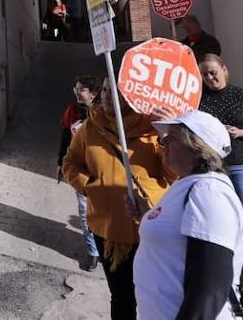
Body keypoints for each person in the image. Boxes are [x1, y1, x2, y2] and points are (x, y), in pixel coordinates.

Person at [63, 77, 172, 320]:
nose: (108, 97)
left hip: (151, 225)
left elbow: (174, 174)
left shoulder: (153, 127)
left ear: (132, 96)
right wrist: (90, 186)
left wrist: (167, 136)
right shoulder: (91, 127)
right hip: (108, 227)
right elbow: (70, 163)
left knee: (154, 294)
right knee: (121, 295)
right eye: (105, 90)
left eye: (117, 92)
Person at [131, 109, 243, 320]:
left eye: (170, 138)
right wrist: (147, 215)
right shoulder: (189, 184)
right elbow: (178, 236)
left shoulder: (209, 192)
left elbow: (209, 287)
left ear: (197, 146)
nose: (162, 144)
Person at [197, 53, 243, 253]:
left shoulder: (241, 95)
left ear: (224, 70)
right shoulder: (198, 99)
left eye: (213, 72)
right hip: (213, 169)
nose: (210, 78)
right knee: (222, 225)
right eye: (205, 75)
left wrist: (241, 132)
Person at [58, 76, 100, 271]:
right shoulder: (72, 111)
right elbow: (65, 136)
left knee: (104, 211)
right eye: (75, 89)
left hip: (103, 170)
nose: (76, 92)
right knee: (84, 213)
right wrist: (60, 162)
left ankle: (106, 247)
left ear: (93, 93)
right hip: (82, 169)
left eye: (81, 89)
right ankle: (93, 253)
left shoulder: (105, 111)